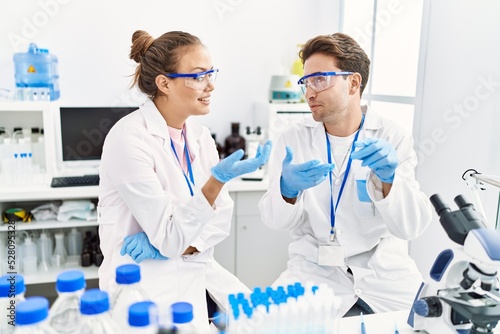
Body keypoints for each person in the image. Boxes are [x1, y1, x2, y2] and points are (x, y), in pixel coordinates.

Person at [97, 30, 272, 330]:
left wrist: (181, 246)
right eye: (198, 76)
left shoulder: (200, 138)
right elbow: (168, 235)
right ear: (164, 83)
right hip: (140, 286)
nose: (211, 85)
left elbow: (220, 221)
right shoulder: (129, 139)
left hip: (192, 276)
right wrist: (214, 184)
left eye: (211, 73)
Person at [258, 32, 432, 318]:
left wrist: (390, 181)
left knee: (428, 324)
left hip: (384, 274)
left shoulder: (391, 137)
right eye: (306, 82)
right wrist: (286, 190)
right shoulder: (293, 139)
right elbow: (273, 219)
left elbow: (410, 227)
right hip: (314, 272)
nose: (309, 92)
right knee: (270, 324)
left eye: (319, 79)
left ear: (353, 83)